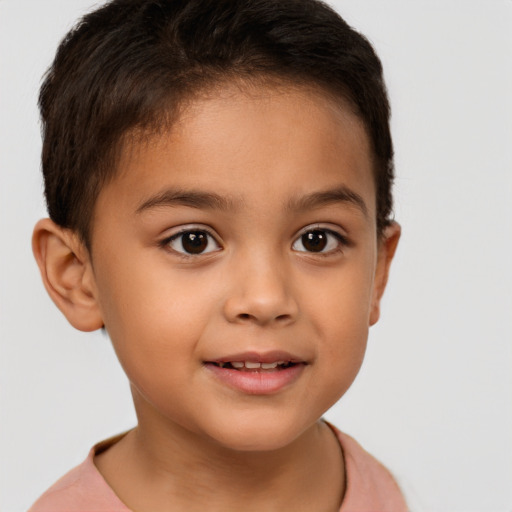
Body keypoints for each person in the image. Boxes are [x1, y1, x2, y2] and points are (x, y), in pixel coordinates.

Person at [28, 0, 405, 510]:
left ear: (377, 271)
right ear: (76, 275)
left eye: (316, 239)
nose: (266, 298)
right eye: (193, 240)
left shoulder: (373, 486)